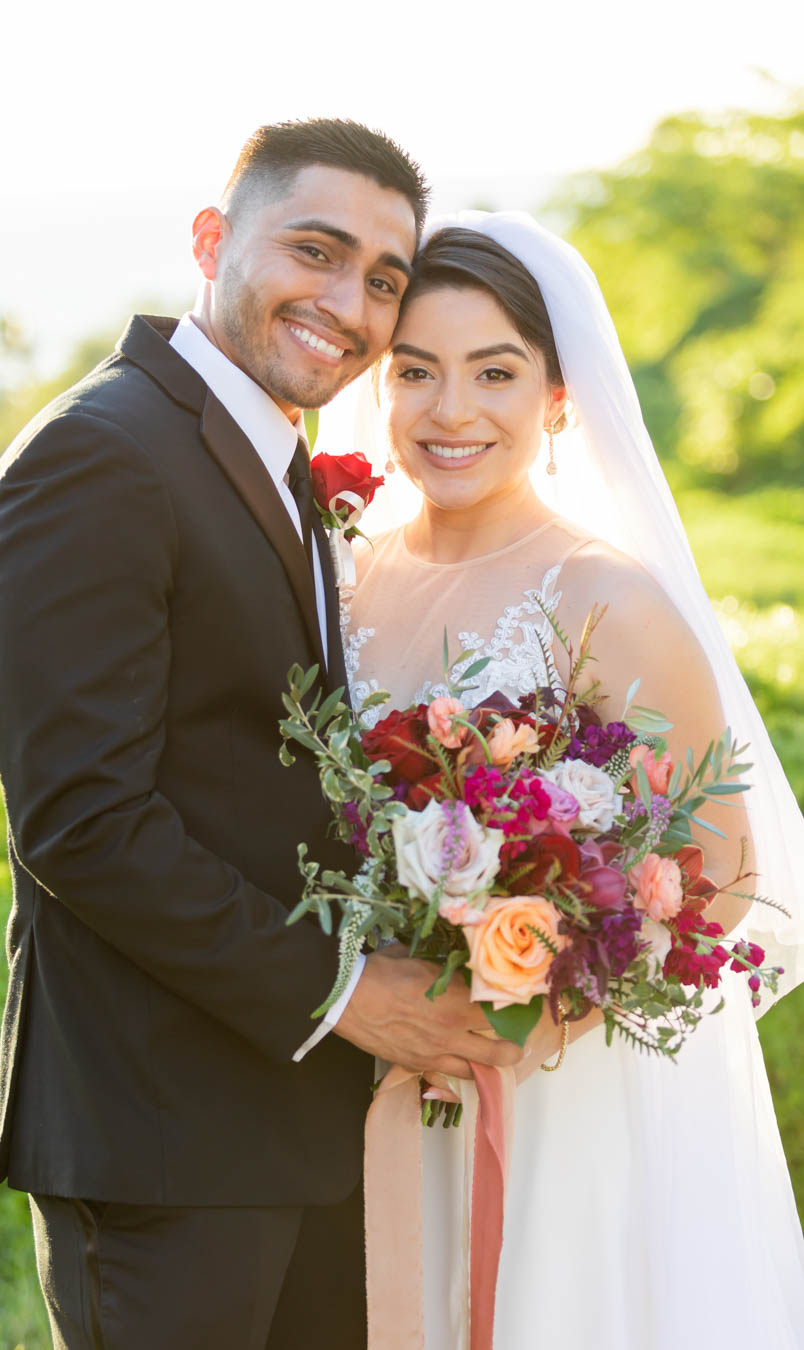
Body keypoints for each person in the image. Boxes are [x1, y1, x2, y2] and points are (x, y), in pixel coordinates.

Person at [0, 123, 524, 1350]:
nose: (350, 303)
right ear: (213, 240)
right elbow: (83, 821)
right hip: (166, 1133)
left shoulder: (262, 455)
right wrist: (347, 994)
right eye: (316, 250)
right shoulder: (99, 455)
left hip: (300, 1123)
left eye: (384, 278)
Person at [324, 214, 804, 1348]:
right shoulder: (347, 576)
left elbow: (722, 875)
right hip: (387, 1054)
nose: (451, 412)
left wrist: (520, 1012)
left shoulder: (604, 596)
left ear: (557, 398)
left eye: (494, 372)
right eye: (417, 372)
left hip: (564, 1084)